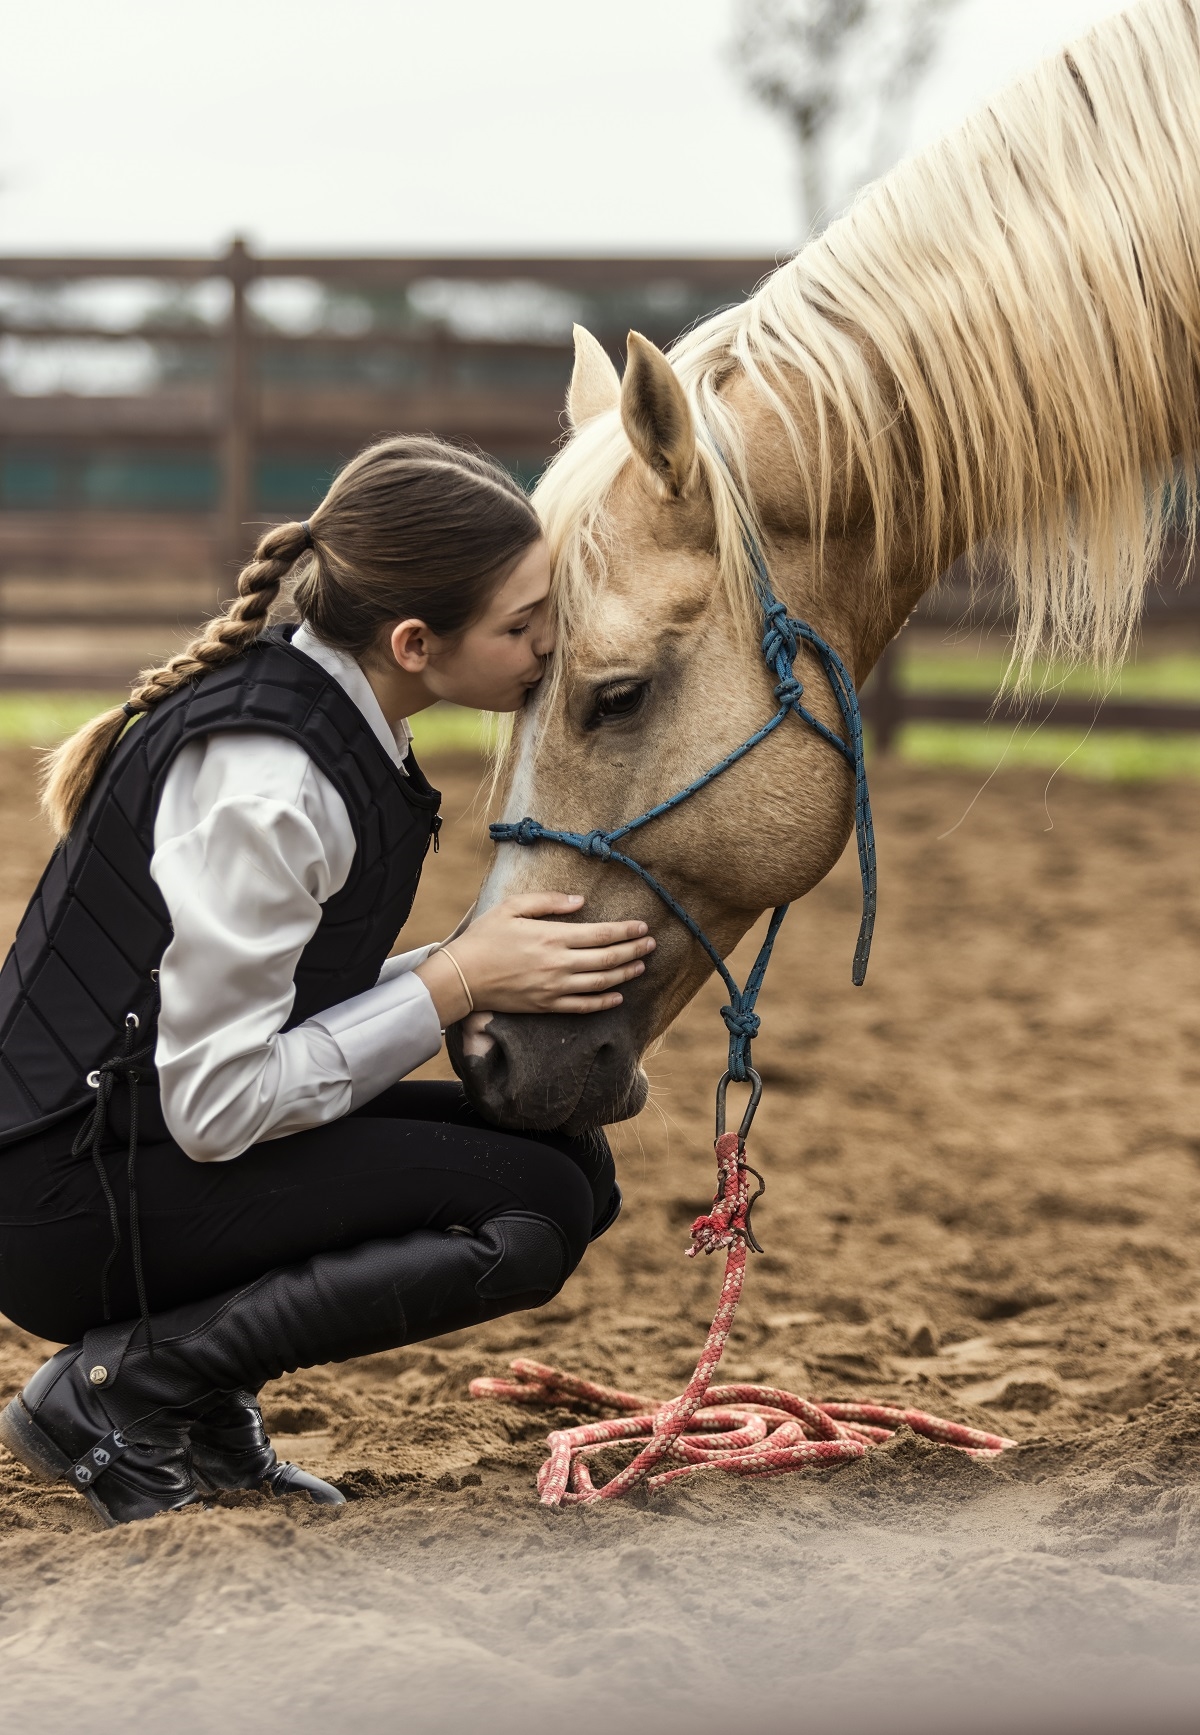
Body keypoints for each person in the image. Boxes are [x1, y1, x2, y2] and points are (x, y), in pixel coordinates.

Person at [0, 435, 655, 1527]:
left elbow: (267, 1023)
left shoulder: (342, 720)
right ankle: (126, 1393)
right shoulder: (270, 782)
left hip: (128, 1150)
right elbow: (219, 1106)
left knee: (568, 1168)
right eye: (522, 622)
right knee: (531, 1207)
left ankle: (199, 1399)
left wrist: (482, 968)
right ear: (414, 641)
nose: (553, 643)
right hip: (65, 1205)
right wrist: (451, 980)